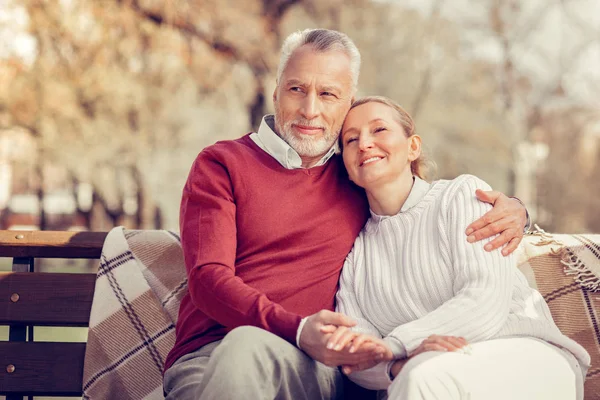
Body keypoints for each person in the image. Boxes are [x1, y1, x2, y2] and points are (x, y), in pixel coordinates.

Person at [162, 29, 530, 399]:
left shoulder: (353, 172)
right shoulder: (221, 163)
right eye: (296, 90)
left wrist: (516, 208)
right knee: (243, 349)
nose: (310, 110)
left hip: (313, 366)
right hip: (209, 354)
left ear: (347, 103)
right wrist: (298, 327)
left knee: (247, 348)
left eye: (327, 94)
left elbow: (416, 192)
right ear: (275, 91)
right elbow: (208, 278)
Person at [324, 95, 590, 399]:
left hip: (529, 357)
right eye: (351, 139)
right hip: (427, 371)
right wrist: (395, 366)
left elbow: (484, 299)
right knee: (418, 376)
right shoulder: (357, 257)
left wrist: (397, 345)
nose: (365, 144)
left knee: (422, 378)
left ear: (413, 147)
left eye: (379, 130)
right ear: (345, 163)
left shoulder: (461, 196)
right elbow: (356, 352)